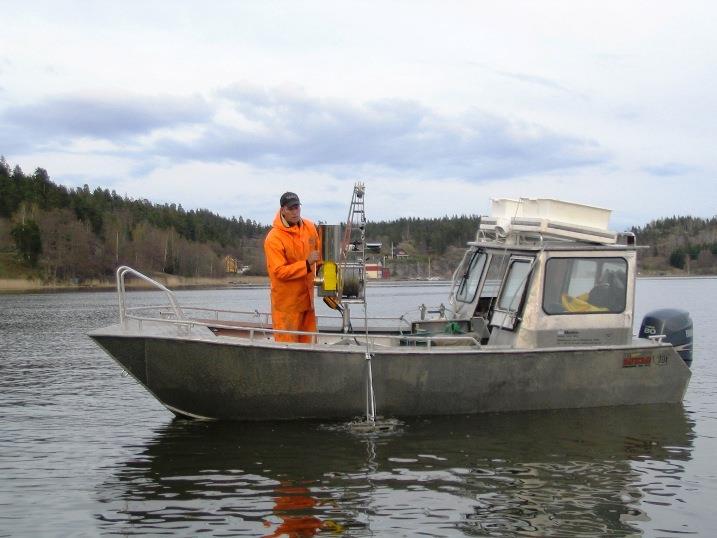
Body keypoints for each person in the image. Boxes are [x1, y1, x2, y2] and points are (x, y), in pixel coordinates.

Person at [264, 192, 320, 343]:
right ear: (283, 210)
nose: (295, 212)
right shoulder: (274, 238)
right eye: (291, 208)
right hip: (286, 306)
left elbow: (320, 255)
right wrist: (306, 264)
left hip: (308, 303)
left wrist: (326, 274)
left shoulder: (310, 227)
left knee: (310, 348)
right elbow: (279, 272)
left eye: (297, 207)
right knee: (286, 351)